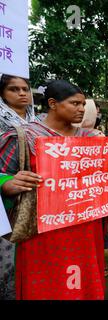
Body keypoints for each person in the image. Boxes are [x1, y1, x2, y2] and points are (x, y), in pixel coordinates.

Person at [0, 80, 106, 300]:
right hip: (43, 234)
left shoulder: (90, 139)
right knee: (47, 286)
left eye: (83, 104)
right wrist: (7, 183)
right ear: (53, 104)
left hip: (85, 228)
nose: (81, 109)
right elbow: (3, 174)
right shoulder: (23, 136)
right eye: (75, 103)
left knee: (83, 284)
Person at [0, 74, 35, 300]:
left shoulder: (39, 122)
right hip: (6, 205)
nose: (22, 93)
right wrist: (4, 182)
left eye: (25, 88)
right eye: (14, 89)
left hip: (32, 202)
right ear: (2, 93)